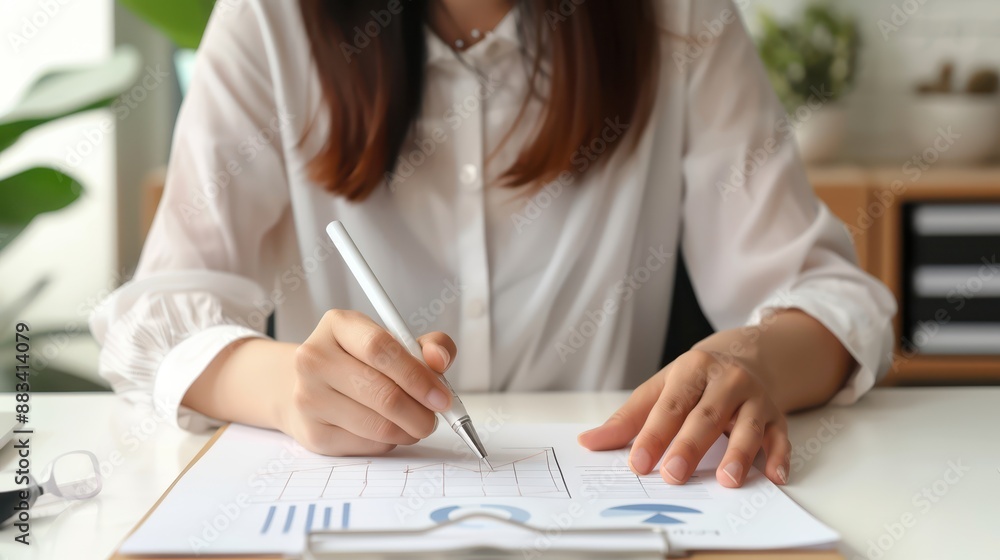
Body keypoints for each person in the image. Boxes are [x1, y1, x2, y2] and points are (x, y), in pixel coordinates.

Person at [90, 0, 896, 489]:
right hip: (353, 506)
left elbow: (834, 302)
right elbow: (155, 317)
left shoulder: (678, 18)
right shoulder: (272, 21)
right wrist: (282, 387)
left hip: (607, 507)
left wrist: (755, 359)